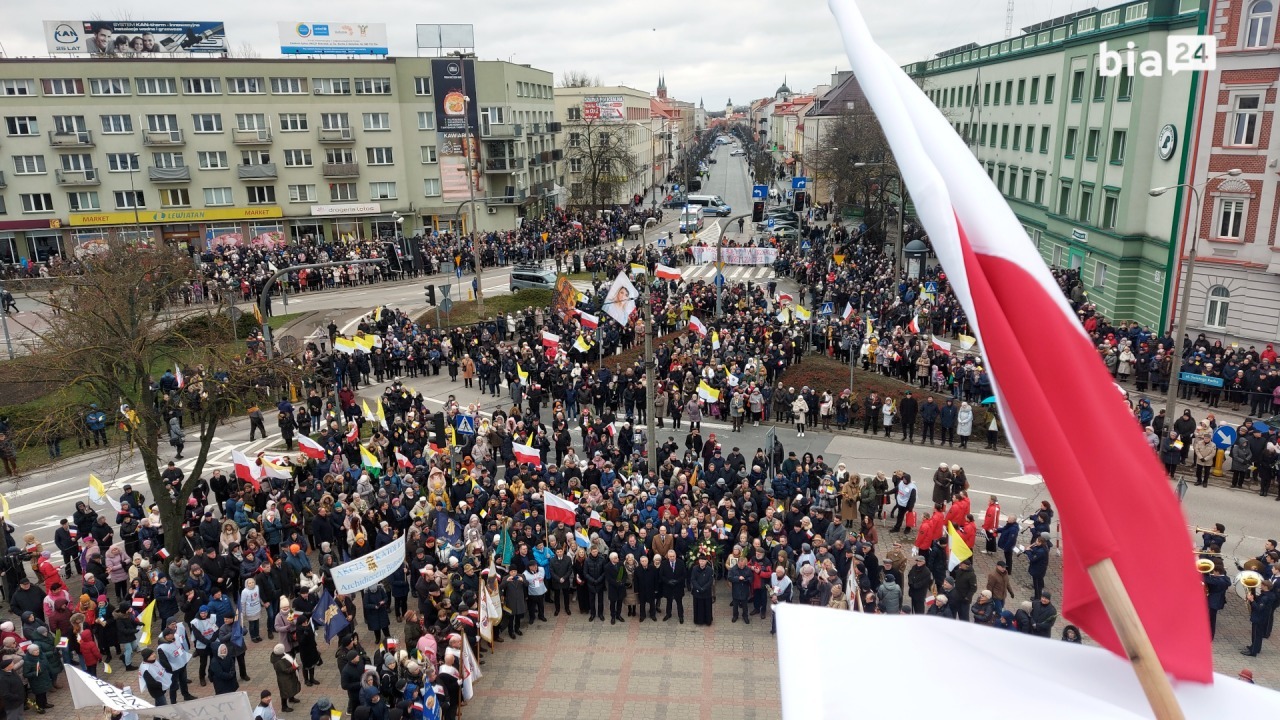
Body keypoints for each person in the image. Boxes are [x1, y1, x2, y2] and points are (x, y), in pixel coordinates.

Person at [270, 645, 301, 713]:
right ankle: (284, 707)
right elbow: (286, 670)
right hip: (284, 679)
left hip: (288, 677)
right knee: (284, 692)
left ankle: (291, 698)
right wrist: (294, 667)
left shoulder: (280, 656)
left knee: (291, 688)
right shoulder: (279, 662)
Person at [660, 549, 686, 623]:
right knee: (669, 602)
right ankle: (668, 614)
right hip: (668, 586)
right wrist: (668, 581)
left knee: (679, 602)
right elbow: (661, 575)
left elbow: (684, 574)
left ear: (675, 556)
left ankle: (681, 616)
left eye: (673, 556)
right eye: (670, 556)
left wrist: (677, 581)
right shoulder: (664, 563)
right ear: (668, 556)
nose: (672, 558)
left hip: (678, 586)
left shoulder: (680, 562)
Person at [690, 554, 715, 626]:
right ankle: (698, 621)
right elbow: (693, 579)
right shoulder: (694, 569)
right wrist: (698, 588)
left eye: (703, 561)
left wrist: (703, 588)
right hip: (697, 592)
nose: (701, 562)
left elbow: (710, 581)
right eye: (700, 561)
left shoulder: (710, 570)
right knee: (698, 607)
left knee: (707, 606)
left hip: (706, 592)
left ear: (706, 562)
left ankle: (708, 621)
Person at [728, 555, 753, 624]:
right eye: (741, 565)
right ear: (738, 563)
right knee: (735, 605)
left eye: (743, 565)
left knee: (745, 605)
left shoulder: (748, 569)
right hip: (736, 590)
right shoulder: (733, 569)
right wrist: (738, 578)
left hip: (745, 589)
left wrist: (746, 580)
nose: (742, 566)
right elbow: (729, 578)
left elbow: (751, 577)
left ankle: (745, 616)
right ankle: (735, 616)